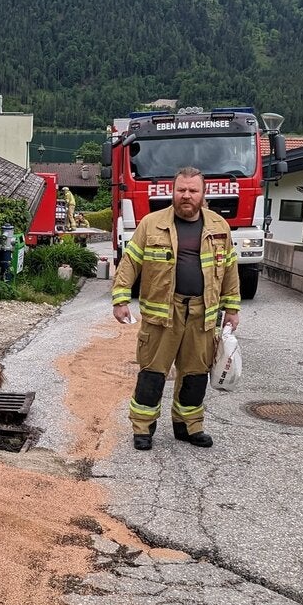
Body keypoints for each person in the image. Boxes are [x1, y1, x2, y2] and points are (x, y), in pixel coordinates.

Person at [111, 166, 240, 450]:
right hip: (161, 317)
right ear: (173, 191)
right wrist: (120, 299)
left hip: (202, 315)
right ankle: (143, 428)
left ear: (203, 193)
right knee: (152, 374)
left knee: (195, 376)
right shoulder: (151, 223)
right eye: (181, 189)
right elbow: (130, 263)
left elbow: (230, 270)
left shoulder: (220, 227)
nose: (186, 195)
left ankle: (189, 427)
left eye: (193, 190)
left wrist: (232, 308)